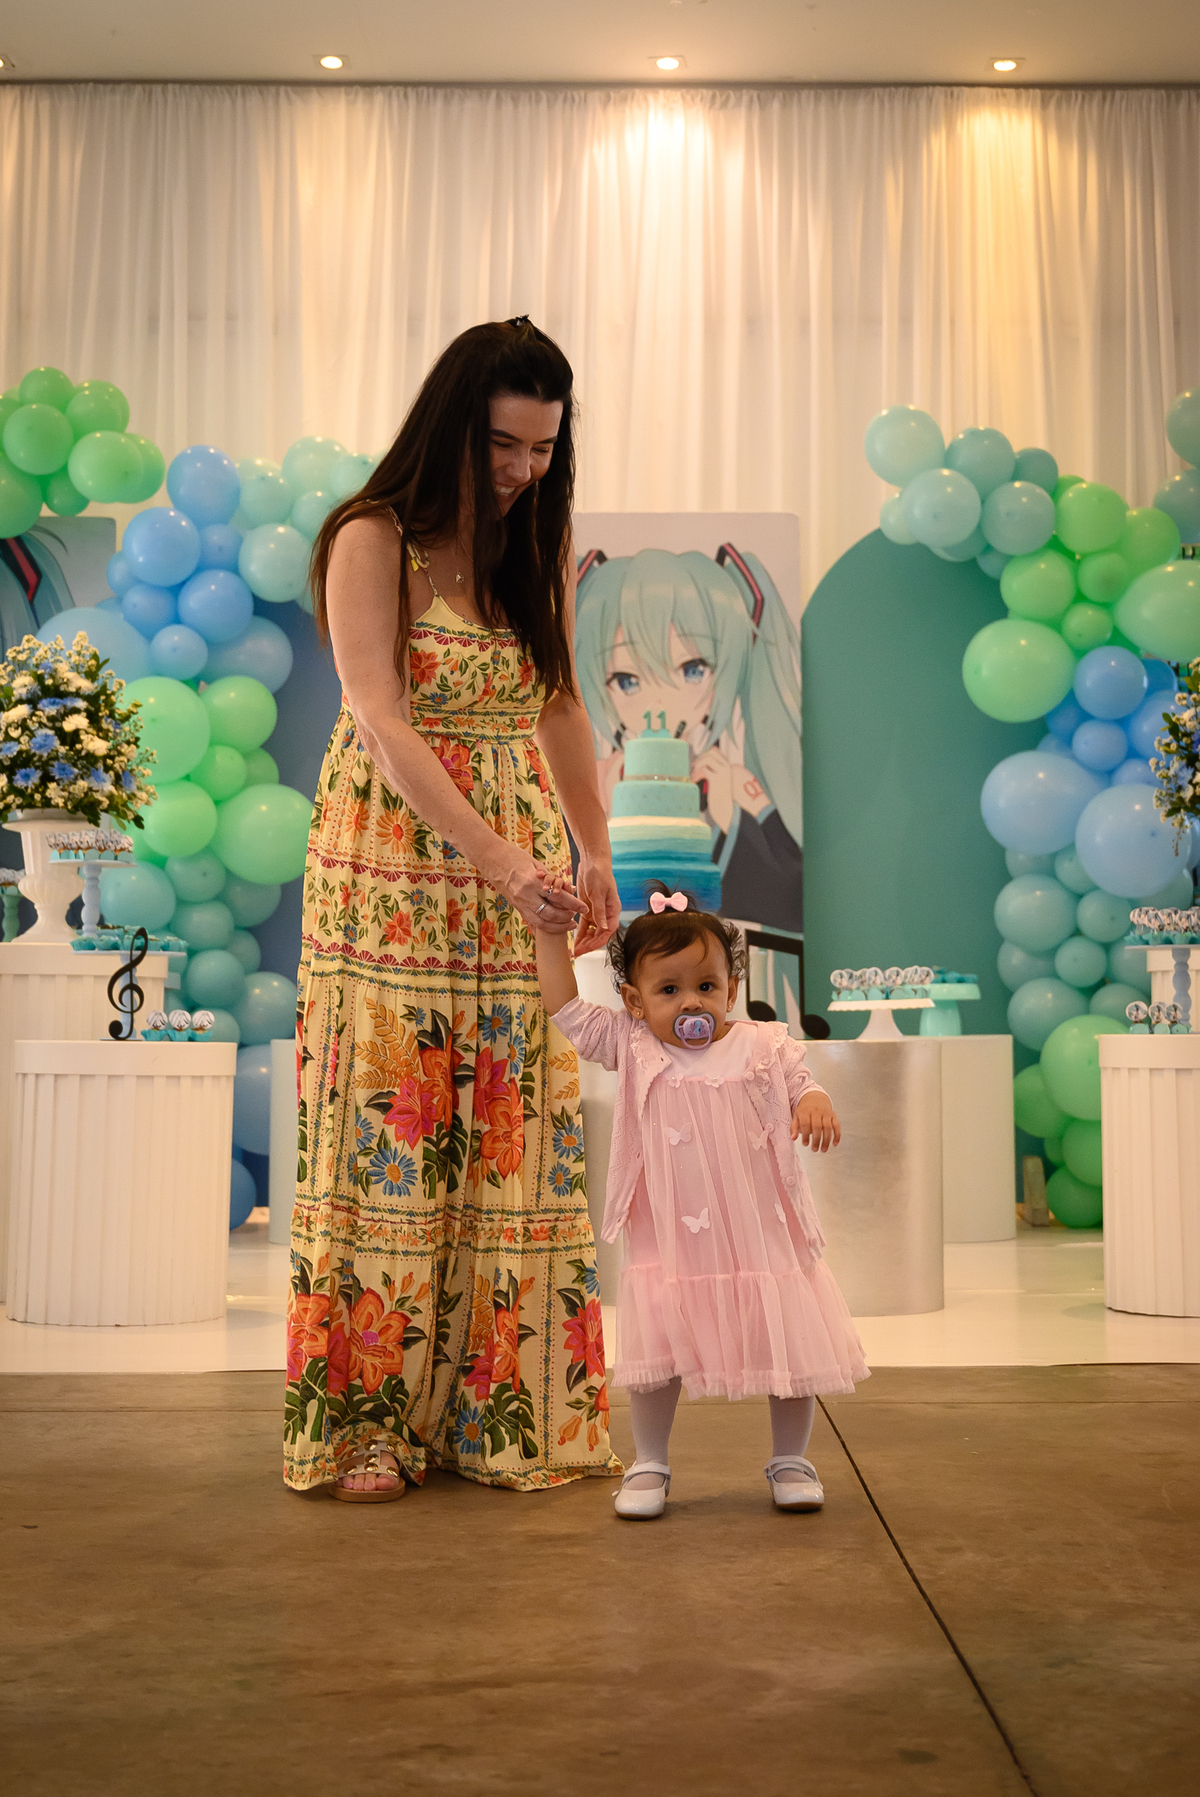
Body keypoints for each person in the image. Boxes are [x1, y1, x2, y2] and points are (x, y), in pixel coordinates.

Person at [284, 318, 621, 1501]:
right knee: (398, 1129)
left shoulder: (537, 543)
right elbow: (380, 715)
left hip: (514, 865)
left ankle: (501, 1411)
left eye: (542, 447)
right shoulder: (370, 537)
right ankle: (370, 1426)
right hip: (394, 860)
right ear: (449, 428)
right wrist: (497, 859)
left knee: (514, 1123)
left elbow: (561, 705)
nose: (523, 469)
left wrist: (593, 850)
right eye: (501, 444)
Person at [534, 884, 868, 1519]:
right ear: (634, 1000)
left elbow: (801, 1081)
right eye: (669, 990)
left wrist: (813, 1100)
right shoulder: (633, 1044)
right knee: (657, 1352)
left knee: (787, 1338)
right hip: (670, 1236)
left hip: (759, 1229)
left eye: (706, 986)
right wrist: (549, 939)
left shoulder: (763, 1044)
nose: (691, 1002)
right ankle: (650, 1462)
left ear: (731, 990)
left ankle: (791, 1458)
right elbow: (567, 1011)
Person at [574, 545, 804, 933]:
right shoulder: (590, 785)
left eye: (692, 670)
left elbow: (793, 898)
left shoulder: (734, 784)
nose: (659, 704)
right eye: (627, 680)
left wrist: (733, 821)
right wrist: (600, 833)